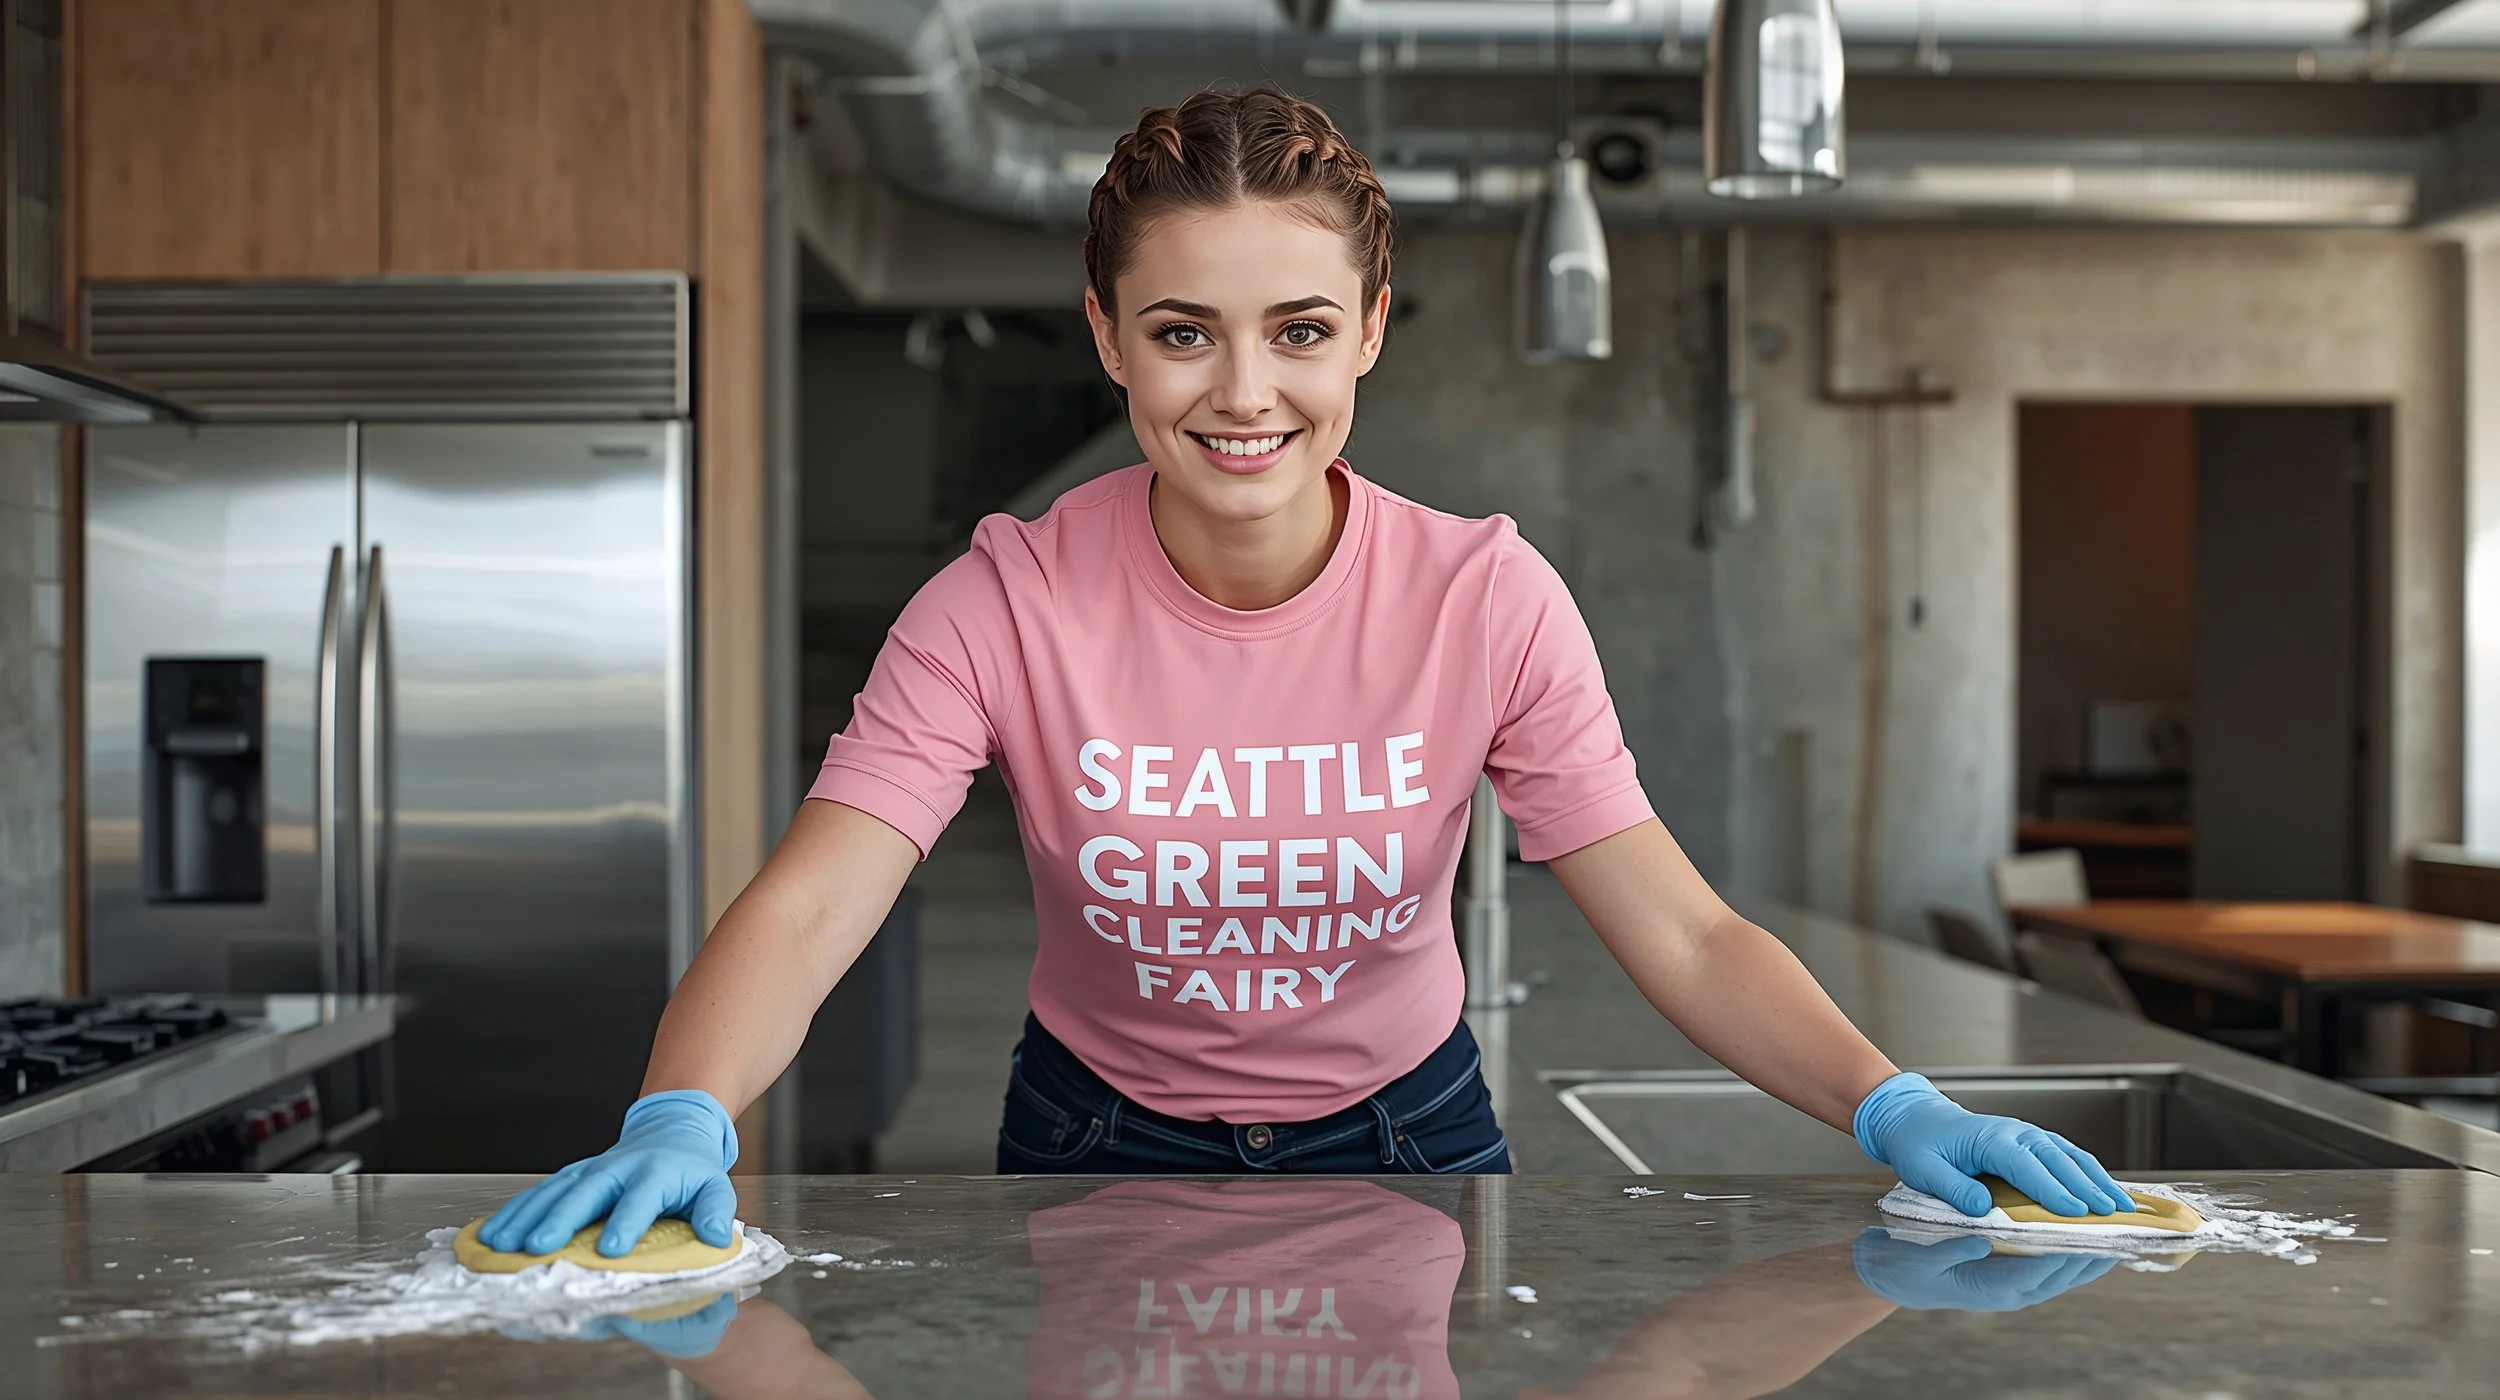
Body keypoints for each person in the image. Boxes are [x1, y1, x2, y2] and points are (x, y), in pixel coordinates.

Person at [479, 86, 2126, 1261]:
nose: (1245, 392)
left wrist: (1892, 1103)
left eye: (1301, 330)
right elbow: (810, 908)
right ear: (1109, 336)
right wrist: (682, 1111)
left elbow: (1683, 931)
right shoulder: (1003, 602)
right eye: (1183, 331)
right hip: (1090, 1137)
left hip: (1412, 1138)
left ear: (1371, 331)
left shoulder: (1486, 600)